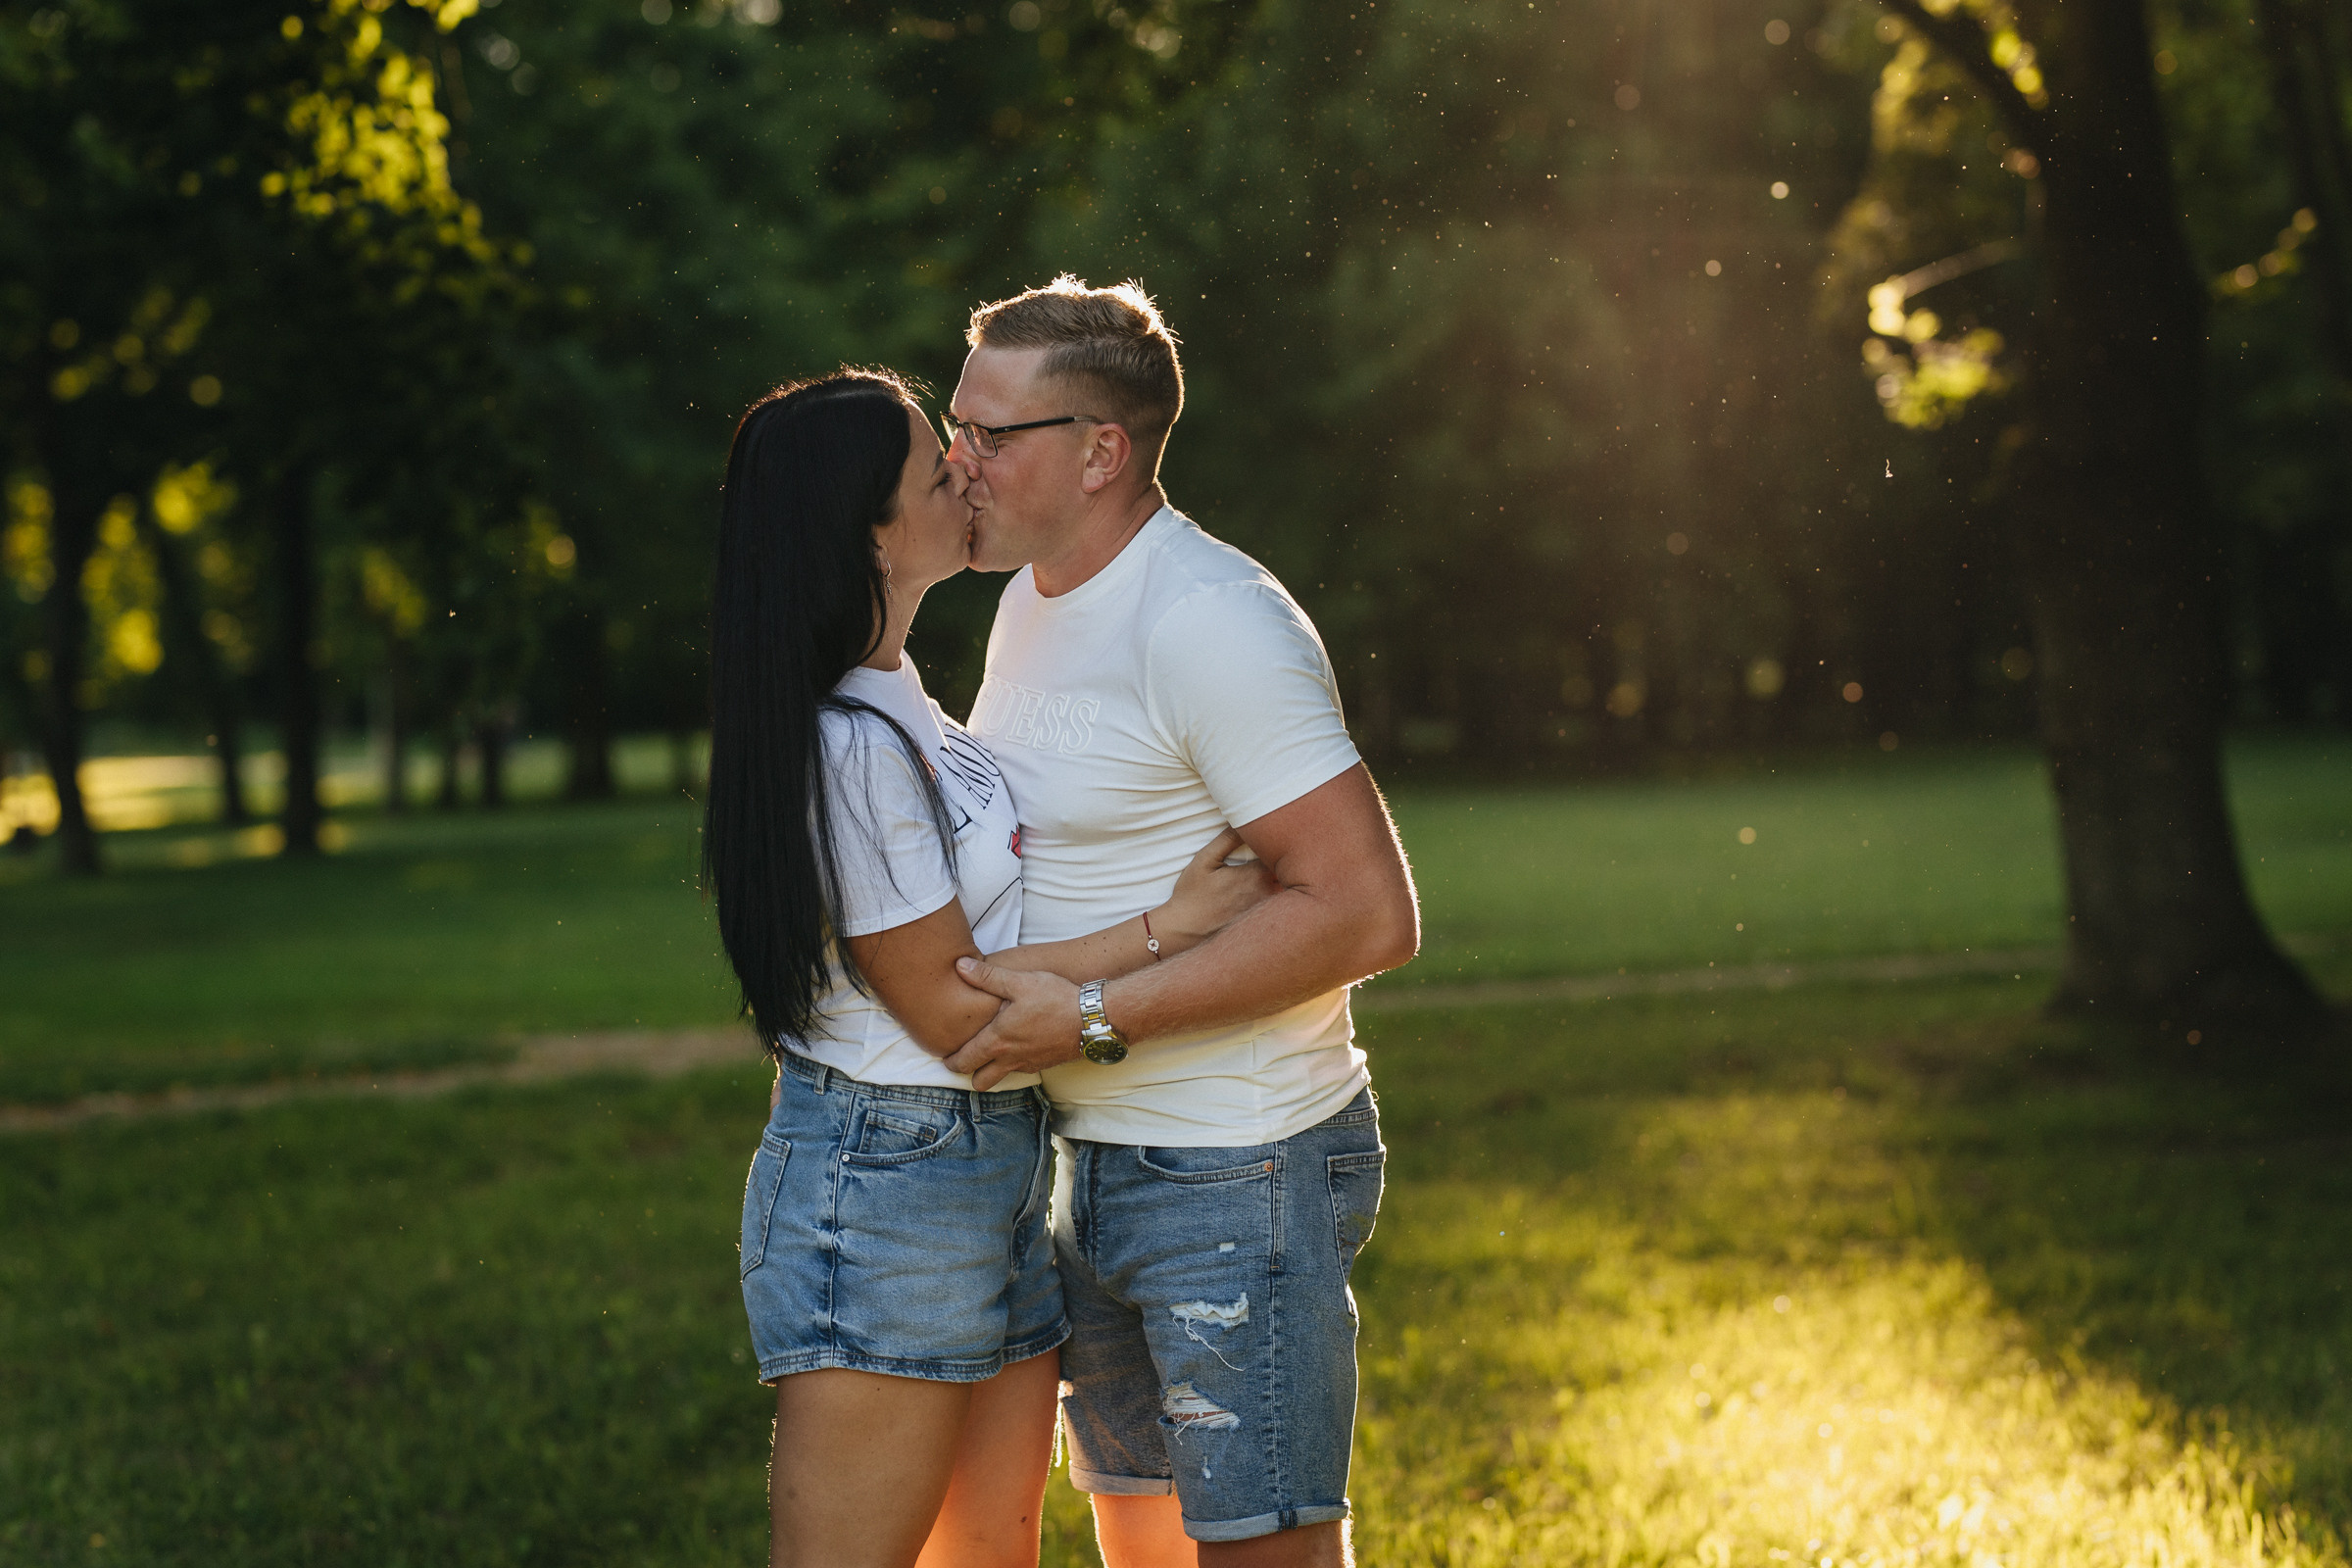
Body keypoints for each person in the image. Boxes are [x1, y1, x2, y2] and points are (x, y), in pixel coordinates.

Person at [701, 368, 1276, 1568]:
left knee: (992, 1553)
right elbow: (957, 1009)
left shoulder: (901, 699)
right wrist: (1165, 930)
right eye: (933, 467)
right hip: (892, 1178)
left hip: (990, 1165)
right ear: (869, 531)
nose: (965, 468)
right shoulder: (848, 749)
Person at [939, 279, 1421, 1568]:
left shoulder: (1208, 620)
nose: (955, 459)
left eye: (991, 434)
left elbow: (1366, 909)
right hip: (1089, 1166)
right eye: (955, 422)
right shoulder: (1032, 598)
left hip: (1234, 1168)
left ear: (1101, 450)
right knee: (1139, 1547)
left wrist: (1093, 1013)